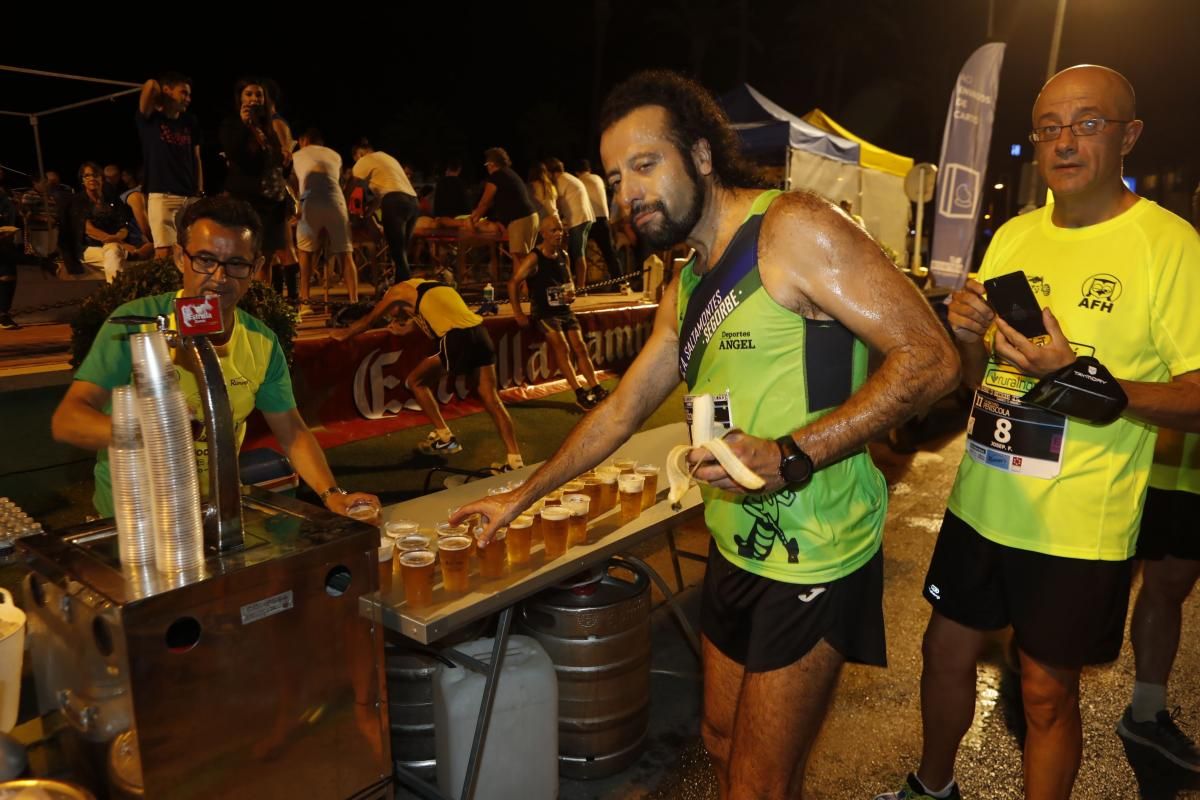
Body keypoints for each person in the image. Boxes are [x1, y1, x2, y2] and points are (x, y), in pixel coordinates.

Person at [456, 69, 958, 799]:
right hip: (734, 542)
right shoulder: (686, 283)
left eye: (645, 164)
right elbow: (621, 410)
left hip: (815, 551)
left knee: (759, 782)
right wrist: (519, 497)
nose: (628, 192)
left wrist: (793, 453)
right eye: (614, 175)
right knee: (720, 744)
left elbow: (931, 358)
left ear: (699, 153)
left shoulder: (793, 227)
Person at [876, 65, 1200, 800]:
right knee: (942, 653)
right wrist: (962, 334)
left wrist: (1079, 374)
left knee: (1046, 695)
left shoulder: (1168, 245)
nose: (1064, 141)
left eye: (1087, 123)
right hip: (980, 504)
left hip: (1077, 526)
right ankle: (931, 788)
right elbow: (973, 378)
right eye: (1049, 127)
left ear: (1129, 137)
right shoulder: (1015, 235)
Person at [50, 196, 378, 521]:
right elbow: (68, 420)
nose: (220, 278)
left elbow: (291, 430)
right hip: (132, 519)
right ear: (180, 257)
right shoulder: (135, 323)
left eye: (236, 264)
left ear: (257, 269)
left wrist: (333, 495)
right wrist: (149, 431)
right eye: (205, 260)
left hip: (212, 512)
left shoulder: (261, 341)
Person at [331, 275, 524, 471]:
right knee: (491, 398)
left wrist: (344, 334)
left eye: (393, 312)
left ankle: (445, 436)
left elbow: (369, 320)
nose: (394, 316)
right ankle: (515, 460)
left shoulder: (396, 292)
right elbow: (437, 315)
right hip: (480, 333)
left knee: (416, 382)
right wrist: (407, 327)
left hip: (457, 338)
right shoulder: (434, 287)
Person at [1118, 429, 1200, 771]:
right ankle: (1039, 672)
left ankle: (1146, 713)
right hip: (1133, 458)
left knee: (1171, 583)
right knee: (1099, 577)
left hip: (1192, 477)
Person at [508, 215, 607, 410]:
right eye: (553, 230)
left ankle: (596, 387)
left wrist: (570, 294)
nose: (558, 233)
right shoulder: (535, 257)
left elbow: (567, 283)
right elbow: (513, 282)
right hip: (544, 313)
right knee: (563, 347)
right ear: (543, 234)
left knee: (580, 347)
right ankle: (579, 392)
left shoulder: (564, 255)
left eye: (560, 229)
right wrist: (518, 312)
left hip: (564, 310)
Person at [220, 78, 298, 300]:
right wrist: (244, 125)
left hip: (272, 203)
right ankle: (246, 302)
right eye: (249, 94)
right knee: (246, 255)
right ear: (240, 98)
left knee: (267, 257)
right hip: (246, 201)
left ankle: (263, 305)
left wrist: (286, 160)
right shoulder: (232, 125)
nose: (254, 99)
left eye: (259, 94)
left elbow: (277, 169)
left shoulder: (269, 128)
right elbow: (235, 155)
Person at [137, 71, 203, 258]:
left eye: (189, 94)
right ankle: (163, 288)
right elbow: (150, 84)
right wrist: (160, 92)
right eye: (183, 92)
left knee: (191, 251)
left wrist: (199, 190)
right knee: (165, 252)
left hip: (189, 195)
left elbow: (197, 157)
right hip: (163, 194)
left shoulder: (190, 121)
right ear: (167, 90)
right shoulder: (150, 119)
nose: (188, 99)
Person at [292, 129, 358, 309]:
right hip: (335, 202)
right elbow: (337, 180)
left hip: (309, 202)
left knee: (305, 253)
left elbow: (293, 182)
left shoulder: (297, 154)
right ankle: (354, 301)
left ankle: (305, 301)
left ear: (303, 140)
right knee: (346, 254)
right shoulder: (335, 155)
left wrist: (295, 209)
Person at [61, 162, 151, 282]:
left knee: (113, 254)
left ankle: (115, 291)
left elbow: (123, 226)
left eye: (95, 175)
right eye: (87, 176)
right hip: (88, 247)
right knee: (114, 250)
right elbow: (90, 230)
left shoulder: (112, 199)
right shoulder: (78, 201)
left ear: (102, 178)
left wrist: (118, 238)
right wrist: (120, 243)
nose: (92, 178)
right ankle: (119, 288)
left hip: (112, 246)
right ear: (82, 180)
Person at [351, 139, 419, 283]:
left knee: (398, 254)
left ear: (359, 154)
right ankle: (402, 287)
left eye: (356, 158)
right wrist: (368, 212)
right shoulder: (386, 158)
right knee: (402, 253)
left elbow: (355, 190)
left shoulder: (362, 161)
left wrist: (355, 213)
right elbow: (381, 195)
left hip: (395, 202)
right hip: (413, 202)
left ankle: (403, 292)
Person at [470, 147, 539, 263]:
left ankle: (523, 282)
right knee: (524, 259)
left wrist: (473, 221)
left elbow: (484, 203)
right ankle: (523, 282)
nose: (487, 168)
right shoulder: (509, 174)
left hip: (520, 220)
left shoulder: (496, 177)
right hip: (531, 217)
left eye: (487, 164)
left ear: (491, 164)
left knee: (520, 259)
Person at [544, 158, 595, 289]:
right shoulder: (569, 178)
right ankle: (577, 285)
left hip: (578, 219)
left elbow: (556, 205)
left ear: (552, 172)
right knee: (576, 252)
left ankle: (580, 287)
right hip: (584, 218)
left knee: (578, 253)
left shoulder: (561, 181)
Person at [576, 158, 621, 281]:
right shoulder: (598, 179)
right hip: (603, 219)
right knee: (609, 254)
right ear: (589, 170)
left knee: (578, 252)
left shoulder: (578, 182)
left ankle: (580, 283)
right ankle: (620, 281)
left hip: (588, 220)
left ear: (576, 172)